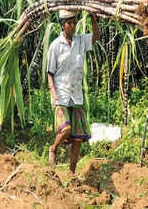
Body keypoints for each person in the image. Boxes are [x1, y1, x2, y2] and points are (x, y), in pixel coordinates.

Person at [47, 9, 99, 173]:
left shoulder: (80, 41)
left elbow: (95, 37)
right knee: (66, 129)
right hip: (60, 95)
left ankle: (71, 171)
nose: (72, 26)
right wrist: (53, 93)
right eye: (69, 23)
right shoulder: (56, 45)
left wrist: (92, 18)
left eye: (74, 22)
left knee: (78, 137)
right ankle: (53, 148)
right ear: (63, 26)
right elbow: (50, 73)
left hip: (76, 95)